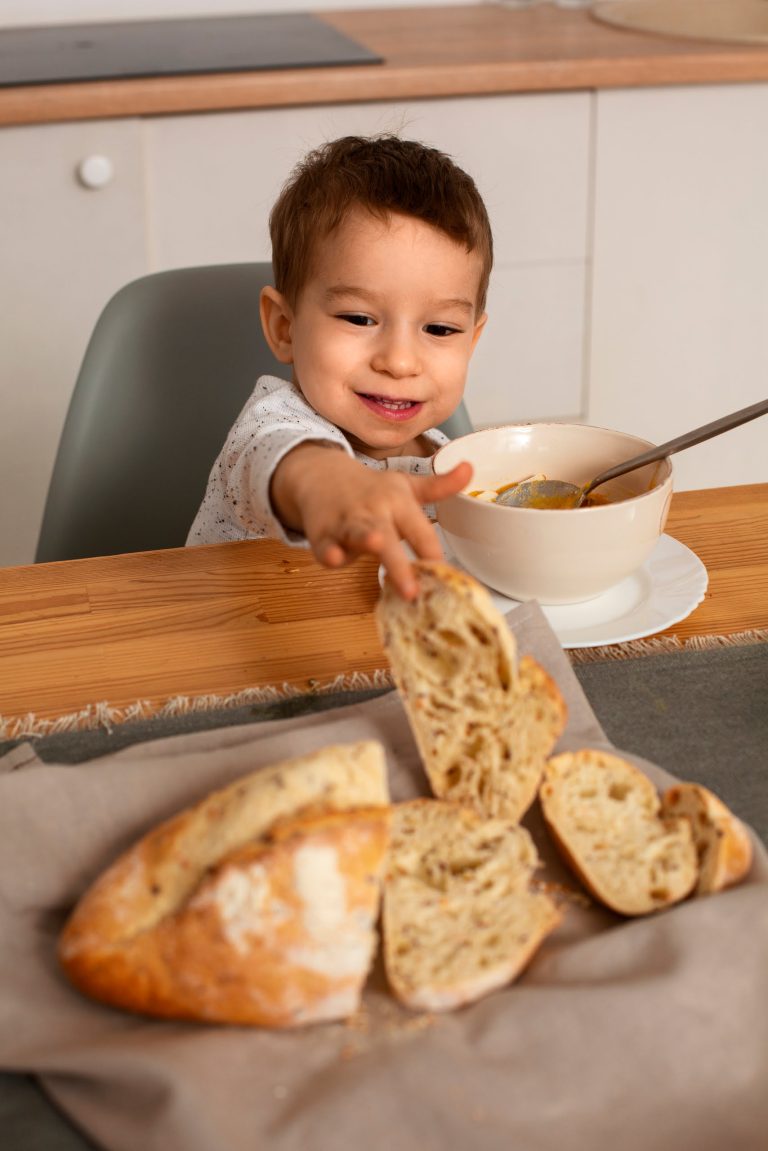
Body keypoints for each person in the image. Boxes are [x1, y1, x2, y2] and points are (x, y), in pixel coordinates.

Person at [186, 134, 493, 599]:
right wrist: (336, 487)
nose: (399, 361)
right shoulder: (269, 426)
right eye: (358, 318)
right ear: (285, 327)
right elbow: (294, 467)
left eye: (440, 329)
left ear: (472, 341)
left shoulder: (445, 459)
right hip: (229, 658)